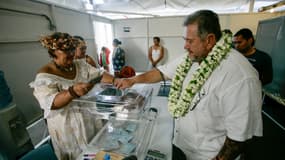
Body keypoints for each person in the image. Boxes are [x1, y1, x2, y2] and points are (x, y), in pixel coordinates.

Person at [115, 10, 262, 160]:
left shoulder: (240, 75)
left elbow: (238, 138)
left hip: (209, 155)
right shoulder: (191, 58)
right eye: (184, 40)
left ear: (209, 40)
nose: (185, 46)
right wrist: (132, 80)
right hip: (182, 146)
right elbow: (161, 73)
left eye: (190, 41)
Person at [29, 32, 116, 160]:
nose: (71, 60)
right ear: (54, 54)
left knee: (94, 151)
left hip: (88, 119)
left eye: (72, 54)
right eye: (67, 57)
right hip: (67, 126)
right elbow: (49, 103)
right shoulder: (45, 75)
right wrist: (71, 92)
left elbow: (99, 75)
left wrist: (116, 81)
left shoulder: (79, 64)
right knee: (75, 154)